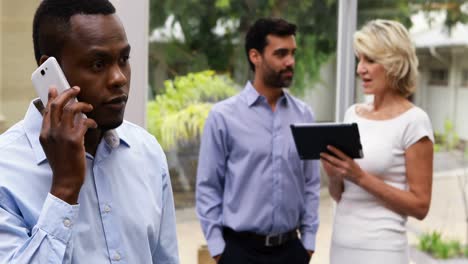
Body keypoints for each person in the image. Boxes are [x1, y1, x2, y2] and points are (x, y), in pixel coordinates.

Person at [0, 0, 179, 263]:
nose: (120, 78)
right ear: (51, 71)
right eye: (98, 64)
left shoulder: (147, 152)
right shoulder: (6, 169)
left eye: (123, 59)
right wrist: (64, 188)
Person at [196, 18, 320, 264]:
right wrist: (219, 250)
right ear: (255, 56)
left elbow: (311, 184)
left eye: (292, 53)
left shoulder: (304, 116)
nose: (290, 62)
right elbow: (208, 187)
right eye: (281, 54)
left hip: (292, 251)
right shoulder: (223, 117)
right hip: (239, 252)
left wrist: (308, 243)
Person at [320, 19, 434, 264]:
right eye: (359, 59)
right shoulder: (353, 114)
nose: (360, 69)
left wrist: (360, 177)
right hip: (341, 246)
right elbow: (340, 195)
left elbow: (420, 206)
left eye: (370, 60)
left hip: (382, 252)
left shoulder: (414, 121)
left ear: (395, 64)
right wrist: (335, 175)